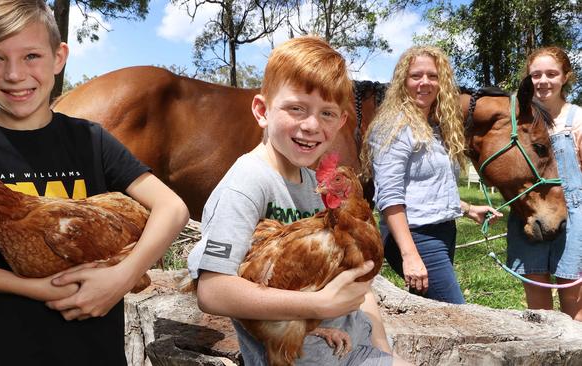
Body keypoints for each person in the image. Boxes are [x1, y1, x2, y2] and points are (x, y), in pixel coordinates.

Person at [0, 0, 189, 364]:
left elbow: (172, 207)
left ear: (58, 57)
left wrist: (123, 277)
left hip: (93, 352)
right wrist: (31, 288)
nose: (15, 75)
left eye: (31, 56)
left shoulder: (90, 139)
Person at [187, 36, 410, 366]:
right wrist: (319, 307)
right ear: (262, 111)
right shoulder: (246, 184)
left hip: (349, 344)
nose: (311, 125)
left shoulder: (313, 182)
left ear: (341, 123)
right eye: (296, 109)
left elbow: (354, 276)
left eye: (327, 113)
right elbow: (212, 291)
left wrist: (382, 348)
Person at [363, 46, 502, 304]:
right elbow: (390, 197)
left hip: (443, 233)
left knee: (432, 315)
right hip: (416, 236)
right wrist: (410, 255)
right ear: (403, 81)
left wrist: (468, 209)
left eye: (432, 76)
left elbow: (427, 188)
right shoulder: (394, 127)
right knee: (456, 314)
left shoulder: (434, 127)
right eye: (416, 75)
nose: (424, 82)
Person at [505, 46, 582, 321]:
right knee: (538, 312)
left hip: (573, 219)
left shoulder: (577, 119)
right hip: (530, 214)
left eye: (551, 74)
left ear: (565, 77)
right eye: (536, 75)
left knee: (575, 307)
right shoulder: (518, 121)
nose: (543, 81)